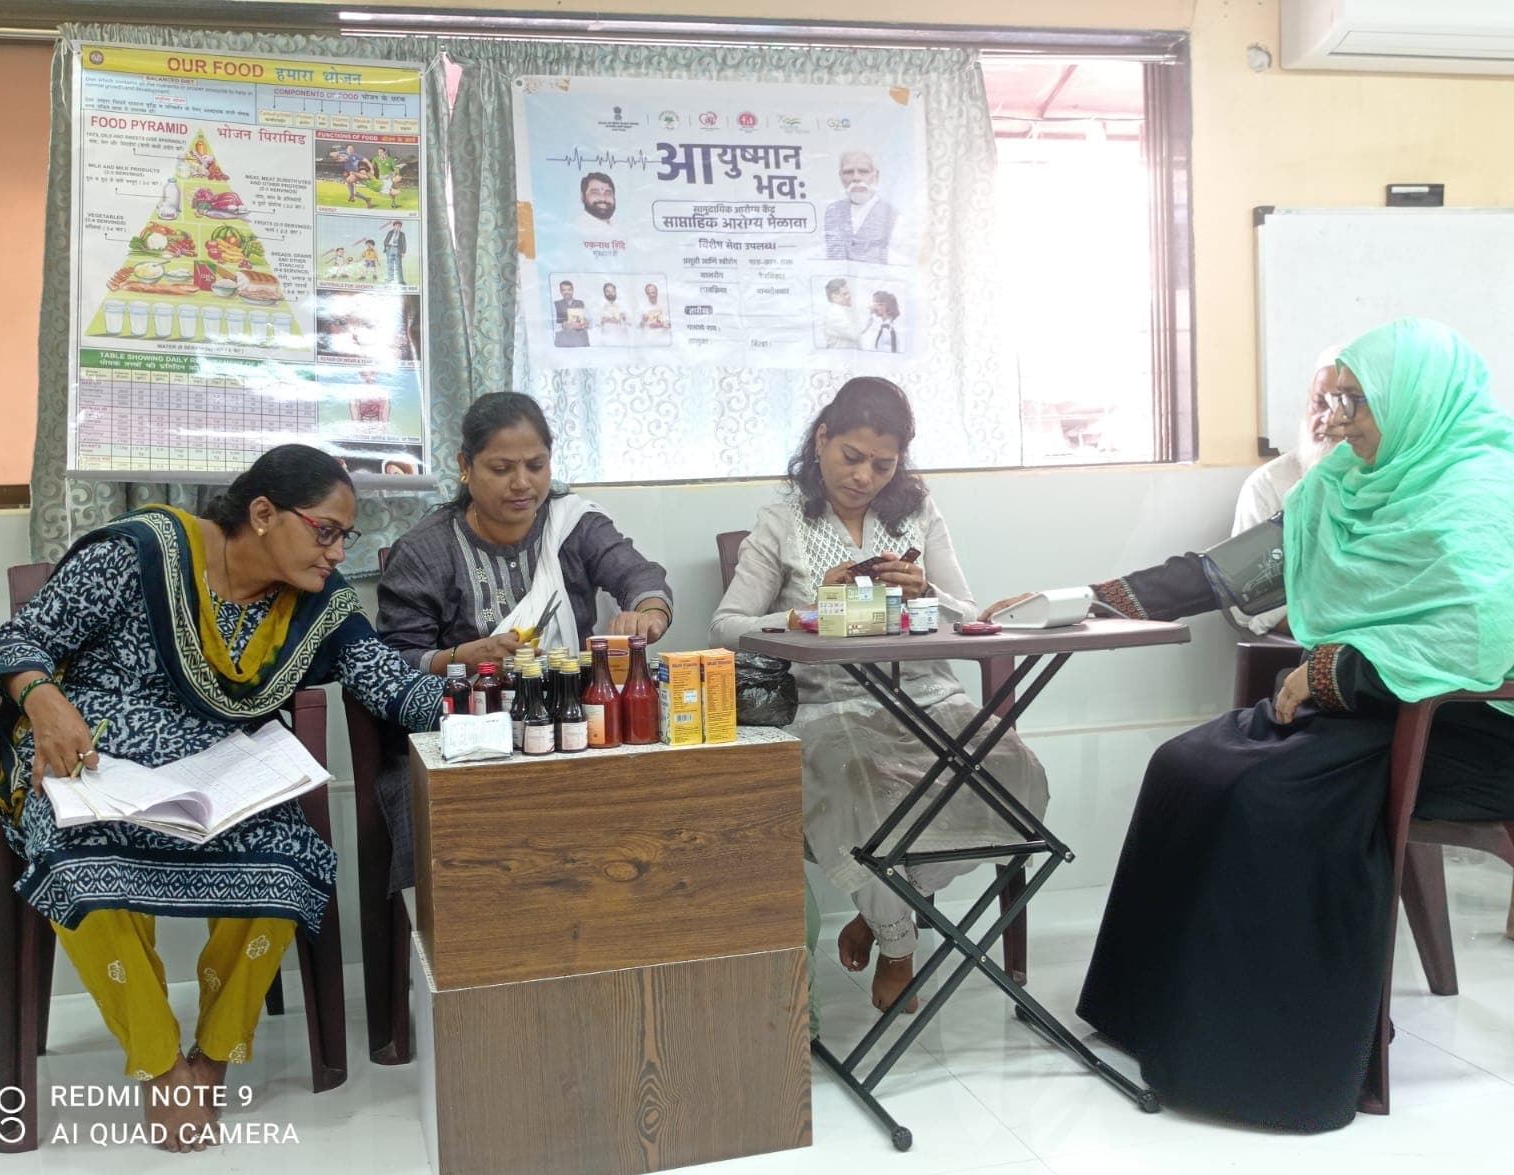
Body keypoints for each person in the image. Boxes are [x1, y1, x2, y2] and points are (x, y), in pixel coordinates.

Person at [987, 318, 1514, 1132]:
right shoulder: (1343, 488)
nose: (1337, 420)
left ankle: (1271, 1060)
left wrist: (1333, 672)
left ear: (1417, 400)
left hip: (1467, 730)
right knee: (1188, 763)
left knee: (1268, 794)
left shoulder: (1484, 490)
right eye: (1333, 399)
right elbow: (1225, 572)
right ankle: (1149, 1016)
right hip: (1375, 710)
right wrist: (1081, 602)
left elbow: (1475, 639)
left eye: (1358, 400)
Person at [0, 445, 446, 1151]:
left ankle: (213, 1056)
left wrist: (498, 694)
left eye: (345, 537)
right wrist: (44, 700)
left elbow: (393, 686)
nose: (337, 553)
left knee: (290, 860)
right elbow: (21, 639)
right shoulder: (141, 553)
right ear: (262, 513)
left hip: (220, 777)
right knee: (76, 865)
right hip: (98, 760)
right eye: (325, 531)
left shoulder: (319, 605)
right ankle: (161, 1066)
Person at [710, 377, 1050, 1015]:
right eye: (851, 457)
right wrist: (812, 608)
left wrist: (925, 592)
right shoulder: (782, 521)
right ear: (821, 440)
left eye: (883, 464)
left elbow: (968, 613)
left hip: (928, 693)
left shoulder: (919, 513)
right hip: (831, 701)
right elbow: (726, 627)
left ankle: (882, 909)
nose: (864, 477)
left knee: (1015, 774)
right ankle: (898, 944)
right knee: (861, 784)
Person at [376, 392, 674, 890]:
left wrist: (648, 613)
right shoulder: (426, 551)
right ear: (465, 467)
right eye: (501, 468)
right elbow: (392, 662)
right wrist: (459, 657)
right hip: (466, 741)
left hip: (573, 727)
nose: (523, 483)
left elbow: (638, 575)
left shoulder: (573, 525)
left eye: (536, 465)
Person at [1229, 345, 1342, 633]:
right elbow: (1249, 602)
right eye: (1320, 403)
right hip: (1312, 641)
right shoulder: (1269, 485)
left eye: (1345, 406)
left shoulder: (1402, 483)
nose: (1328, 419)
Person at [823, 150, 900, 264]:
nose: (856, 178)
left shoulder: (892, 215)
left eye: (863, 171)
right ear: (841, 176)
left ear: (875, 176)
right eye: (848, 172)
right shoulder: (833, 211)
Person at [822, 278, 868, 350]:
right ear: (834, 296)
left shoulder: (843, 311)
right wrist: (868, 312)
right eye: (845, 294)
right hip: (839, 356)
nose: (849, 296)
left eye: (849, 293)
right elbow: (854, 332)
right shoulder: (834, 314)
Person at [576, 171, 618, 237]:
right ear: (582, 197)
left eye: (608, 193)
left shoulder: (619, 228)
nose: (602, 198)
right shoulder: (576, 230)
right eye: (595, 193)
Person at [553, 279, 589, 348]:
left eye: (569, 289)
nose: (567, 292)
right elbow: (550, 325)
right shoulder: (555, 304)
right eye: (564, 290)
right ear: (560, 291)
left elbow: (592, 321)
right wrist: (563, 325)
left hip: (581, 342)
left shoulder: (581, 303)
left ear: (573, 290)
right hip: (564, 343)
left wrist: (587, 323)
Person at [597, 281, 630, 346]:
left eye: (612, 291)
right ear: (604, 293)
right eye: (608, 291)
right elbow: (598, 322)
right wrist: (607, 320)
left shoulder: (623, 304)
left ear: (615, 292)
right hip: (607, 338)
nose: (610, 293)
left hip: (621, 338)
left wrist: (624, 318)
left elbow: (628, 321)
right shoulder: (600, 305)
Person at [382, 221, 407, 286]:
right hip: (389, 249)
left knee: (398, 265)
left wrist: (403, 252)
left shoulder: (402, 234)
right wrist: (388, 245)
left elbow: (404, 243)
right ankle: (390, 279)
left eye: (399, 226)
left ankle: (401, 281)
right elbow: (385, 241)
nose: (397, 227)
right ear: (394, 226)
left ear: (400, 227)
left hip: (397, 249)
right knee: (390, 265)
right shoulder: (390, 232)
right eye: (396, 225)